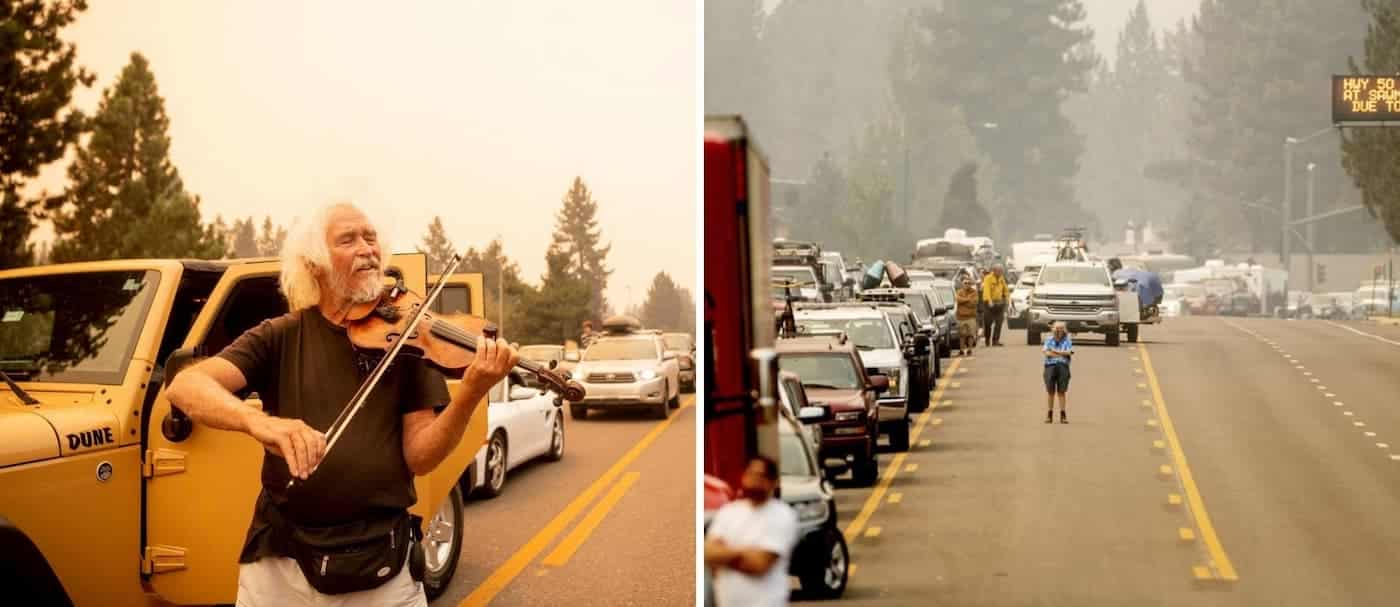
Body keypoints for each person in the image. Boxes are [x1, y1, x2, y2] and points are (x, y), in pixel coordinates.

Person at [166, 202, 518, 606]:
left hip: (382, 562)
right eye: (348, 240)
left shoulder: (409, 339)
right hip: (283, 563)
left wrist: (471, 393)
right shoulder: (280, 335)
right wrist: (259, 422)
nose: (367, 248)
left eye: (371, 238)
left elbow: (420, 457)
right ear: (314, 264)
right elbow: (186, 385)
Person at [704, 456, 799, 607]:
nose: (754, 480)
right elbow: (708, 553)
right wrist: (743, 553)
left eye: (761, 476)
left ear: (773, 482)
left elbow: (759, 565)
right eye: (751, 474)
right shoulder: (728, 512)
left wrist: (723, 557)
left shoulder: (782, 515)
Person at [1043, 322, 1073, 424]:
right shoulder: (1048, 339)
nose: (1059, 331)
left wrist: (1055, 351)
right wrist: (1061, 354)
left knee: (1062, 391)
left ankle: (1063, 414)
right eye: (1057, 328)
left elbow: (1069, 352)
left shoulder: (1067, 340)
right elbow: (1046, 353)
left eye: (1061, 328)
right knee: (1050, 392)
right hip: (1050, 366)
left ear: (1064, 330)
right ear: (1053, 329)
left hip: (1063, 367)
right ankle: (1049, 414)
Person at [981, 264, 1010, 346]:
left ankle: (995, 340)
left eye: (1002, 271)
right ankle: (987, 339)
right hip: (989, 303)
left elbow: (1006, 290)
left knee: (999, 322)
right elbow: (986, 290)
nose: (1001, 272)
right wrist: (990, 301)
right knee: (987, 323)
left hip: (999, 303)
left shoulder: (1001, 278)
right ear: (994, 271)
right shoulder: (988, 278)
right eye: (1000, 271)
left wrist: (1007, 299)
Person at [954, 277, 980, 356]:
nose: (967, 285)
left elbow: (973, 303)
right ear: (962, 284)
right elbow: (958, 300)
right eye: (965, 283)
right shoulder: (959, 292)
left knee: (970, 334)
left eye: (969, 283)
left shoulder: (974, 292)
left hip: (971, 317)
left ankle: (969, 349)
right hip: (960, 317)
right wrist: (967, 299)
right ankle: (961, 350)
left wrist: (964, 301)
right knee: (962, 335)